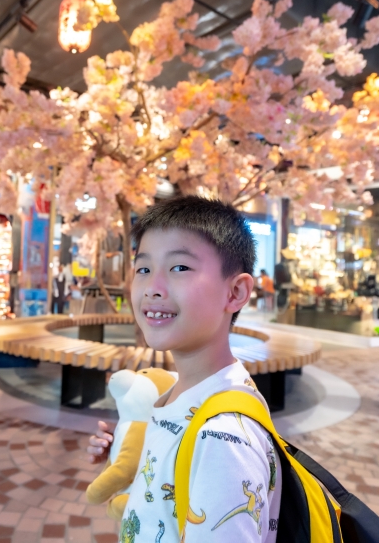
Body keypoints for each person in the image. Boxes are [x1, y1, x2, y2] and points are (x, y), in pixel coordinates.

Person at [86, 196, 281, 542]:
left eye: (180, 268)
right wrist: (131, 459)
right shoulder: (183, 389)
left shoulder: (223, 439)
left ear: (235, 292)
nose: (152, 288)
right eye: (143, 269)